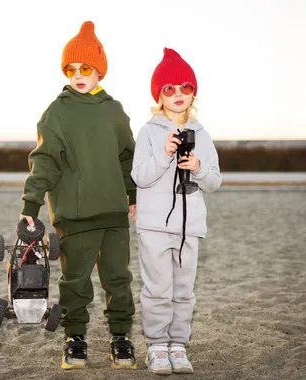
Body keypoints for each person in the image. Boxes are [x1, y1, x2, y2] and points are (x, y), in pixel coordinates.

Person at [19, 21, 137, 370]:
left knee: (119, 279)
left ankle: (121, 338)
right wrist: (31, 204)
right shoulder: (58, 113)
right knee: (75, 282)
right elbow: (44, 162)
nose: (77, 74)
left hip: (113, 212)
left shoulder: (114, 111)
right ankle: (75, 339)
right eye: (70, 68)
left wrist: (132, 195)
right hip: (75, 214)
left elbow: (127, 156)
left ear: (99, 69)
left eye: (85, 68)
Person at [130, 48, 222, 375]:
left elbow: (213, 182)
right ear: (159, 95)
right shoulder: (148, 133)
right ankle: (157, 346)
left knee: (184, 291)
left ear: (193, 92)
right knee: (157, 289)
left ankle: (179, 345)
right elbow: (139, 176)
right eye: (169, 89)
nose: (178, 94)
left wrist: (196, 166)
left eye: (185, 87)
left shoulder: (204, 135)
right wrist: (164, 155)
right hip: (154, 226)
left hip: (190, 227)